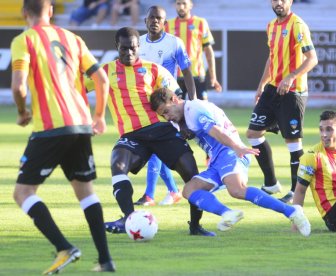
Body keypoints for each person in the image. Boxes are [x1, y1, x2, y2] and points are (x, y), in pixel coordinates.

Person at [10, 0, 114, 274]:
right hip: (81, 124)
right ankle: (105, 261)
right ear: (52, 10)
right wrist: (100, 116)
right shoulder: (72, 38)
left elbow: (19, 86)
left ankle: (64, 247)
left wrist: (23, 112)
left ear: (24, 13)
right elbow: (102, 79)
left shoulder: (25, 40)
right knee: (85, 191)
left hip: (50, 127)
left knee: (23, 192)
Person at [150, 87, 311, 236]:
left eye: (166, 111)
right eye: (163, 115)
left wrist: (236, 147)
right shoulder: (185, 114)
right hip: (217, 159)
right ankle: (228, 213)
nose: (167, 117)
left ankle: (292, 212)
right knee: (189, 190)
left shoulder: (193, 110)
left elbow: (216, 131)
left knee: (237, 190)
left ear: (174, 99)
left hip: (230, 152)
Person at [101, 27, 215, 236]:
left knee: (192, 175)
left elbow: (175, 98)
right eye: (124, 49)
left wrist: (182, 125)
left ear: (139, 47)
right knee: (118, 165)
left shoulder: (153, 69)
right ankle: (128, 218)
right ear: (117, 47)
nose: (128, 53)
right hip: (132, 134)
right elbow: (78, 85)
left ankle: (196, 226)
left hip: (162, 130)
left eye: (133, 48)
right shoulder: (105, 71)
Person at [245, 0, 318, 204]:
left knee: (292, 142)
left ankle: (296, 191)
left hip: (293, 91)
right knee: (253, 133)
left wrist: (291, 76)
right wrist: (261, 85)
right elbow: (271, 58)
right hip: (272, 89)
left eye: (283, 0)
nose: (279, 3)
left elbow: (312, 58)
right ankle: (271, 183)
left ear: (291, 2)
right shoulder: (271, 26)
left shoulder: (297, 25)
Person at [135, 5, 197, 206]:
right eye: (151, 17)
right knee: (153, 146)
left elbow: (187, 72)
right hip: (145, 102)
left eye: (158, 18)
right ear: (145, 20)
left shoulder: (174, 43)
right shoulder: (138, 44)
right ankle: (173, 190)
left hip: (167, 103)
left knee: (155, 146)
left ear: (164, 22)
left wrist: (192, 100)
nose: (154, 21)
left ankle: (149, 195)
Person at [165, 0, 222, 101]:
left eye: (184, 3)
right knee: (176, 112)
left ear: (191, 5)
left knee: (201, 109)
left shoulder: (200, 23)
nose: (181, 7)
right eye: (178, 4)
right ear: (175, 5)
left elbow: (208, 52)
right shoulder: (168, 25)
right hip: (175, 77)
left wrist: (213, 77)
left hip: (196, 75)